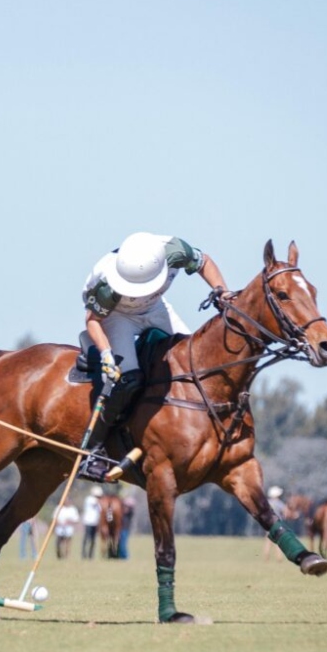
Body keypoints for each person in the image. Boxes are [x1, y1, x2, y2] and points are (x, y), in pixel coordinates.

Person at [79, 232, 231, 482]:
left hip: (156, 307)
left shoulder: (174, 251)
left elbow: (204, 262)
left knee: (194, 362)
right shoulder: (106, 282)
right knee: (127, 380)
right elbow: (93, 320)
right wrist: (106, 354)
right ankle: (92, 452)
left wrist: (221, 291)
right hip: (117, 316)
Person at [263, 485, 288, 561]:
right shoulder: (279, 503)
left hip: (268, 524)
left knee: (268, 542)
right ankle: (279, 558)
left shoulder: (267, 503)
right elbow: (285, 512)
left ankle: (266, 558)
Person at [81, 485, 103, 559]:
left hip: (95, 522)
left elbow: (100, 510)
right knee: (86, 538)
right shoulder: (89, 499)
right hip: (88, 521)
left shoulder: (98, 502)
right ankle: (84, 554)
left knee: (93, 539)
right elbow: (95, 503)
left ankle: (91, 555)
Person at [118, 496, 136, 560]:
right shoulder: (128, 511)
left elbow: (125, 511)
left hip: (124, 529)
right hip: (122, 529)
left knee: (123, 543)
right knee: (121, 543)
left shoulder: (130, 512)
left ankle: (125, 556)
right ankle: (121, 555)